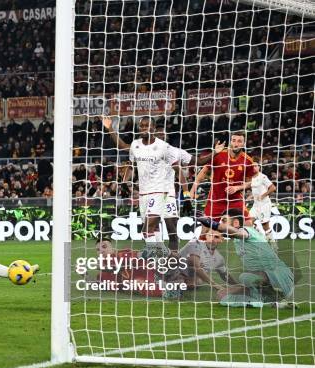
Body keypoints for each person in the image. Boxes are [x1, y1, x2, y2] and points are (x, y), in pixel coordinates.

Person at [103, 115, 224, 254]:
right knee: (153, 230)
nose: (143, 128)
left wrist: (186, 197)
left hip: (163, 193)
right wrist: (110, 128)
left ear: (156, 130)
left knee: (161, 229)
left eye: (147, 126)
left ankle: (163, 258)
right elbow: (124, 150)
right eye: (141, 126)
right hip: (144, 194)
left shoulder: (168, 149)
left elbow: (188, 168)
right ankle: (166, 258)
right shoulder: (136, 145)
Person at [198, 209, 294, 308]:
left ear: (235, 222)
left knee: (245, 277)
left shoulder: (245, 230)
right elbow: (216, 233)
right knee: (222, 294)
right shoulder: (235, 239)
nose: (221, 223)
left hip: (279, 277)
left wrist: (211, 223)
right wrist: (205, 224)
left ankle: (273, 293)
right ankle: (274, 299)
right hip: (260, 279)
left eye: (224, 221)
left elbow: (238, 233)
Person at [190, 132, 256, 224]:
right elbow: (203, 172)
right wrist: (192, 191)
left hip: (235, 200)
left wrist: (237, 188)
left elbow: (251, 182)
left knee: (248, 223)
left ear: (244, 144)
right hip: (215, 199)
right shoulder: (219, 154)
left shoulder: (248, 161)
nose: (236, 144)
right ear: (230, 142)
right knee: (206, 229)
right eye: (233, 140)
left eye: (239, 141)